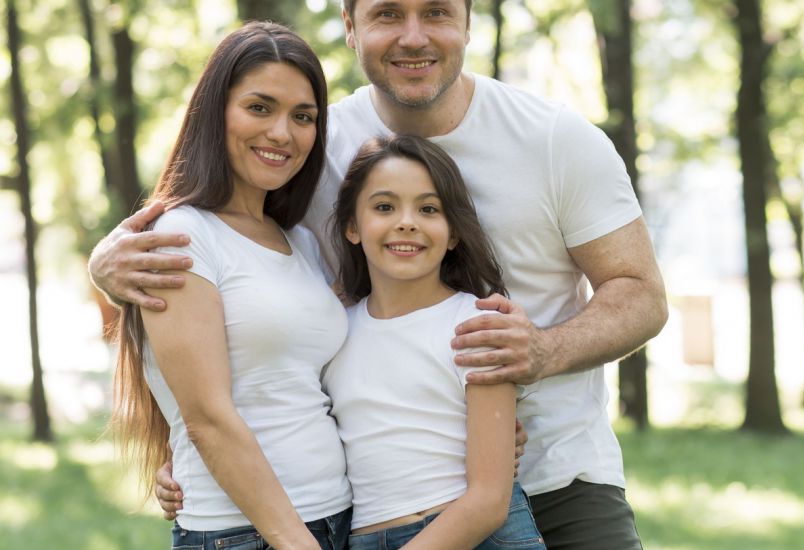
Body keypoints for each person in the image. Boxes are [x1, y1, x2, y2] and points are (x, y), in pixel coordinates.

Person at [91, 0, 668, 548]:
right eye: (388, 12)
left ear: (469, 23)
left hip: (558, 472)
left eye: (437, 11)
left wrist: (542, 353)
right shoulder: (314, 150)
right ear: (349, 24)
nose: (413, 36)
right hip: (372, 507)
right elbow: (252, 311)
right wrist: (192, 445)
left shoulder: (554, 139)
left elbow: (641, 295)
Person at [109, 22, 352, 550]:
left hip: (335, 516)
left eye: (303, 116)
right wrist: (296, 542)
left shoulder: (301, 243)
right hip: (249, 535)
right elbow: (209, 419)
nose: (282, 133)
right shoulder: (182, 235)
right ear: (215, 111)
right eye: (260, 107)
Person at [327, 135, 545, 550]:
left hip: (476, 534)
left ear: (453, 233)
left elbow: (488, 500)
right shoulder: (333, 331)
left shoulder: (476, 325)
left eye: (428, 209)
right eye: (384, 207)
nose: (407, 222)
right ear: (352, 226)